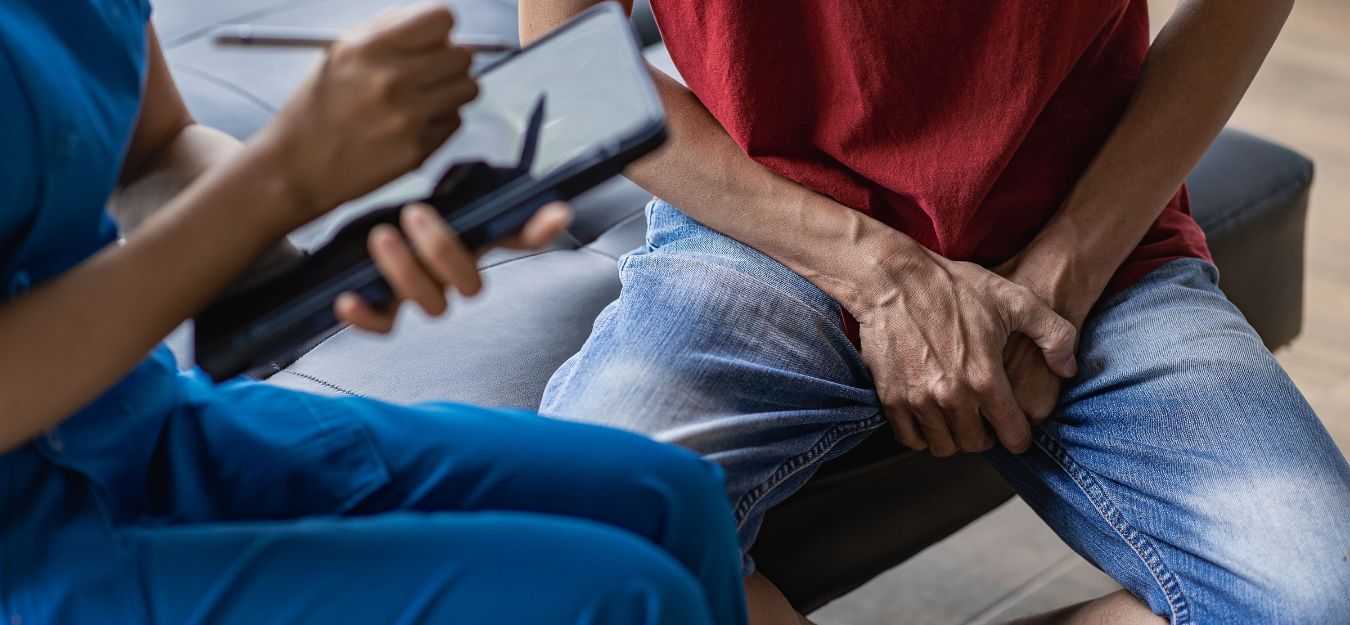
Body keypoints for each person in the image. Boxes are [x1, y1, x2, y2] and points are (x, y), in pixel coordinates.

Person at [522, 0, 1350, 623]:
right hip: (762, 226)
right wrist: (873, 269)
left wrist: (1068, 266)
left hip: (1084, 239)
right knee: (564, 550)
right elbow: (564, 76)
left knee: (1322, 599)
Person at [0, 2, 751, 624]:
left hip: (137, 420)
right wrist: (283, 175)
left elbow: (157, 150)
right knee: (626, 601)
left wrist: (371, 224)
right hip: (26, 553)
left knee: (671, 501)